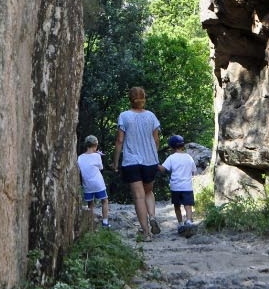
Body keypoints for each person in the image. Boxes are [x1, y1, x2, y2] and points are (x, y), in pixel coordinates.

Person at [113, 87, 161, 242]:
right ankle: (152, 216)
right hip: (150, 161)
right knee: (148, 192)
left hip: (131, 162)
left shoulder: (124, 116)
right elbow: (156, 140)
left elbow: (120, 140)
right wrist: (154, 155)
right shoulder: (151, 116)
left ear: (130, 99)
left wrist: (115, 162)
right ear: (144, 98)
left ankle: (146, 233)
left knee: (139, 197)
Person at [159, 135, 197, 233]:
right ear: (182, 145)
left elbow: (163, 169)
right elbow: (193, 171)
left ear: (171, 147)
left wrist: (155, 164)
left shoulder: (171, 158)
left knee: (177, 206)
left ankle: (180, 224)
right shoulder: (189, 157)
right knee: (188, 205)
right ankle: (189, 221)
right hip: (187, 186)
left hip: (175, 187)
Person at [77, 135, 110, 228]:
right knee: (104, 200)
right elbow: (101, 167)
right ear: (95, 145)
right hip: (98, 183)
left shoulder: (80, 158)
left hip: (87, 184)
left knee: (90, 203)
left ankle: (91, 223)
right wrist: (98, 155)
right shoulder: (97, 156)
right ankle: (105, 222)